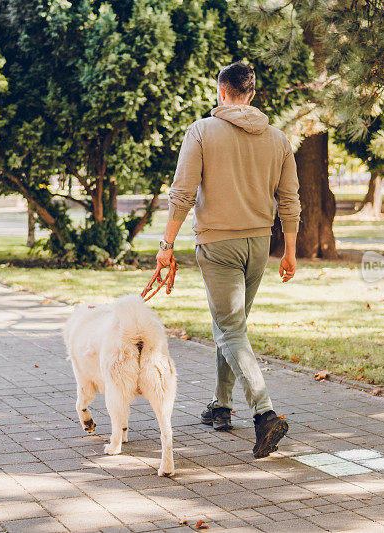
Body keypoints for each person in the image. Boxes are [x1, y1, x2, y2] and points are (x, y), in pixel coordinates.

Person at [156, 61, 301, 458]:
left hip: (218, 245)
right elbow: (289, 202)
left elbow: (182, 193)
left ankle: (264, 412)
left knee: (230, 329)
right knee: (231, 326)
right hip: (258, 245)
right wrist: (289, 251)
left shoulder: (201, 131)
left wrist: (166, 245)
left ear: (221, 91)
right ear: (251, 94)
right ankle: (221, 406)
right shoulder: (278, 139)